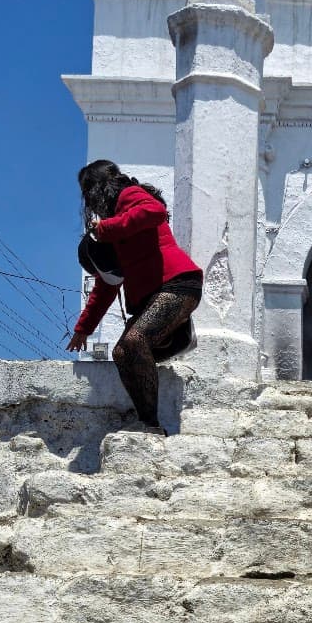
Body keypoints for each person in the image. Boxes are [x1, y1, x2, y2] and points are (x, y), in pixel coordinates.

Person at [67, 161, 203, 432]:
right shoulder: (113, 227)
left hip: (177, 283)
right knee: (122, 352)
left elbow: (155, 211)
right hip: (150, 298)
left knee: (134, 340)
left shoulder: (129, 195)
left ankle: (151, 423)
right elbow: (107, 285)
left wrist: (106, 229)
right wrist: (84, 328)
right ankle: (149, 423)